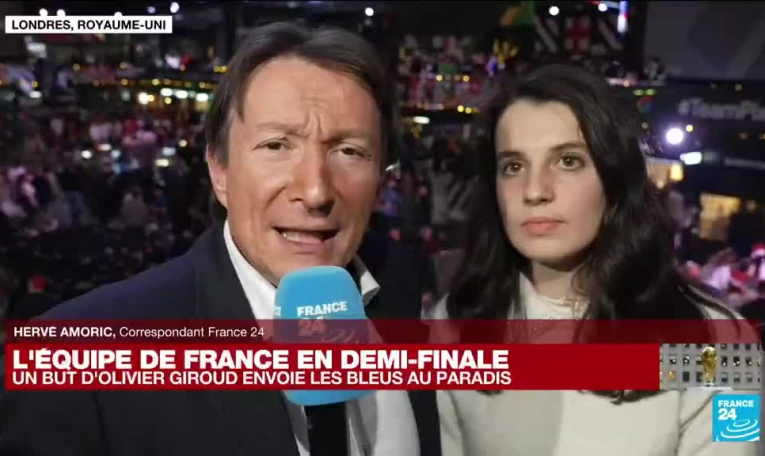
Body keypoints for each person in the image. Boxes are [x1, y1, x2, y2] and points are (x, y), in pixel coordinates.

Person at [0, 22, 439, 456]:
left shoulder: (400, 286)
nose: (315, 191)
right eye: (276, 146)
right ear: (220, 170)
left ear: (381, 178)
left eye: (349, 151)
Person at [425, 65, 757, 455]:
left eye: (568, 161)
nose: (535, 191)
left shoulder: (723, 341)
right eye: (513, 166)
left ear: (615, 180)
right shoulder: (455, 322)